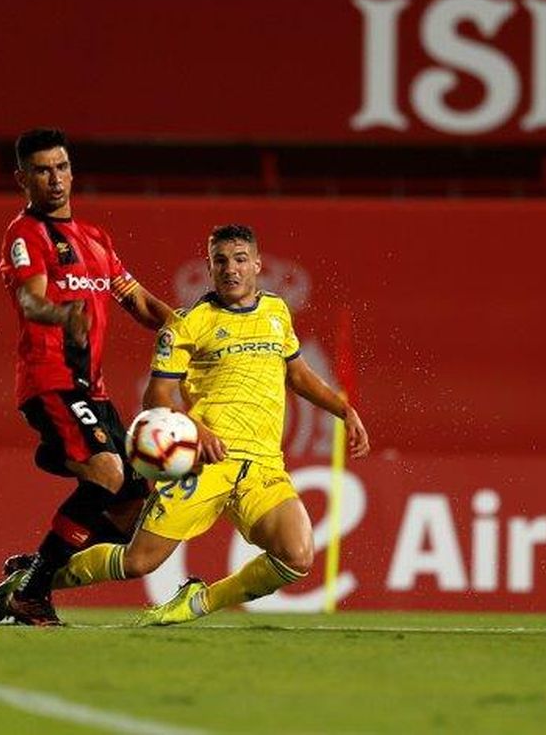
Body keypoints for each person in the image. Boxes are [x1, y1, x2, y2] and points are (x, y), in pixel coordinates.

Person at [21, 224, 370, 626]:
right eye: (220, 261)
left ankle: (199, 602)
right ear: (209, 266)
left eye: (240, 260)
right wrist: (194, 428)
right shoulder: (188, 324)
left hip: (261, 467)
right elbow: (158, 398)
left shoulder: (276, 312)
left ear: (256, 264)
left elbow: (299, 375)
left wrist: (342, 409)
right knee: (137, 562)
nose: (231, 269)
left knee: (298, 555)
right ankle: (33, 581)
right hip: (205, 464)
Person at [0, 128, 174, 627]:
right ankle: (33, 595)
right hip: (51, 381)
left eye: (61, 167)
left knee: (131, 505)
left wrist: (194, 330)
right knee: (107, 473)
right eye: (42, 170)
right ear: (23, 179)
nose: (55, 179)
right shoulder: (26, 233)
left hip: (93, 392)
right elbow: (28, 298)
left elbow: (142, 303)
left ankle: (38, 568)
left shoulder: (97, 240)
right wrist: (65, 316)